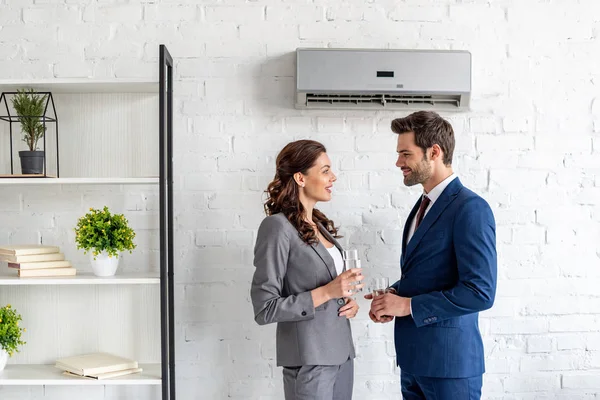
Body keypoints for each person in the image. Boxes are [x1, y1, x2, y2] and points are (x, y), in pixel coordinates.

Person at [367, 111, 497, 400]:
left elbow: (480, 292)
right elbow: (427, 275)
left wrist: (407, 306)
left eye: (405, 153)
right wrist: (393, 295)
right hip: (413, 364)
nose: (398, 162)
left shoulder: (470, 208)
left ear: (434, 152)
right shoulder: (421, 206)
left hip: (450, 367)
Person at [251, 139, 365, 400]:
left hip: (342, 355)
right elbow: (264, 308)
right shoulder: (276, 228)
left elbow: (330, 290)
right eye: (325, 170)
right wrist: (327, 292)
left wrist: (346, 301)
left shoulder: (319, 225)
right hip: (309, 361)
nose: (333, 177)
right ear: (300, 177)